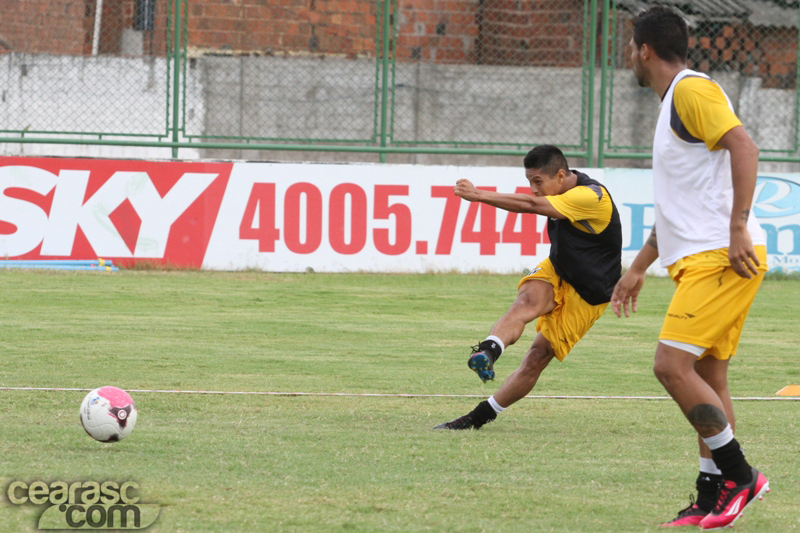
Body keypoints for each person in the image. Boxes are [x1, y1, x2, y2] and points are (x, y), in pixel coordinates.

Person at [611, 7, 770, 529]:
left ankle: (740, 475)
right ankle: (709, 495)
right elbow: (680, 207)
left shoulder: (690, 91)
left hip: (719, 258)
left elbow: (744, 146)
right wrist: (637, 267)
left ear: (645, 50)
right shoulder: (674, 103)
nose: (629, 55)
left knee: (669, 366)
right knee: (708, 375)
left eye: (631, 47)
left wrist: (737, 227)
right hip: (703, 255)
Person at [434, 144, 622, 431]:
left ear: (560, 175)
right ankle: (488, 351)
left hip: (589, 293)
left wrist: (479, 195)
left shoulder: (590, 197)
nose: (533, 189)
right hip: (559, 268)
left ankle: (479, 416)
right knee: (524, 303)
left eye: (538, 182)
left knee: (537, 357)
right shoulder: (558, 190)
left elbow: (531, 206)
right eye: (529, 182)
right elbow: (534, 202)